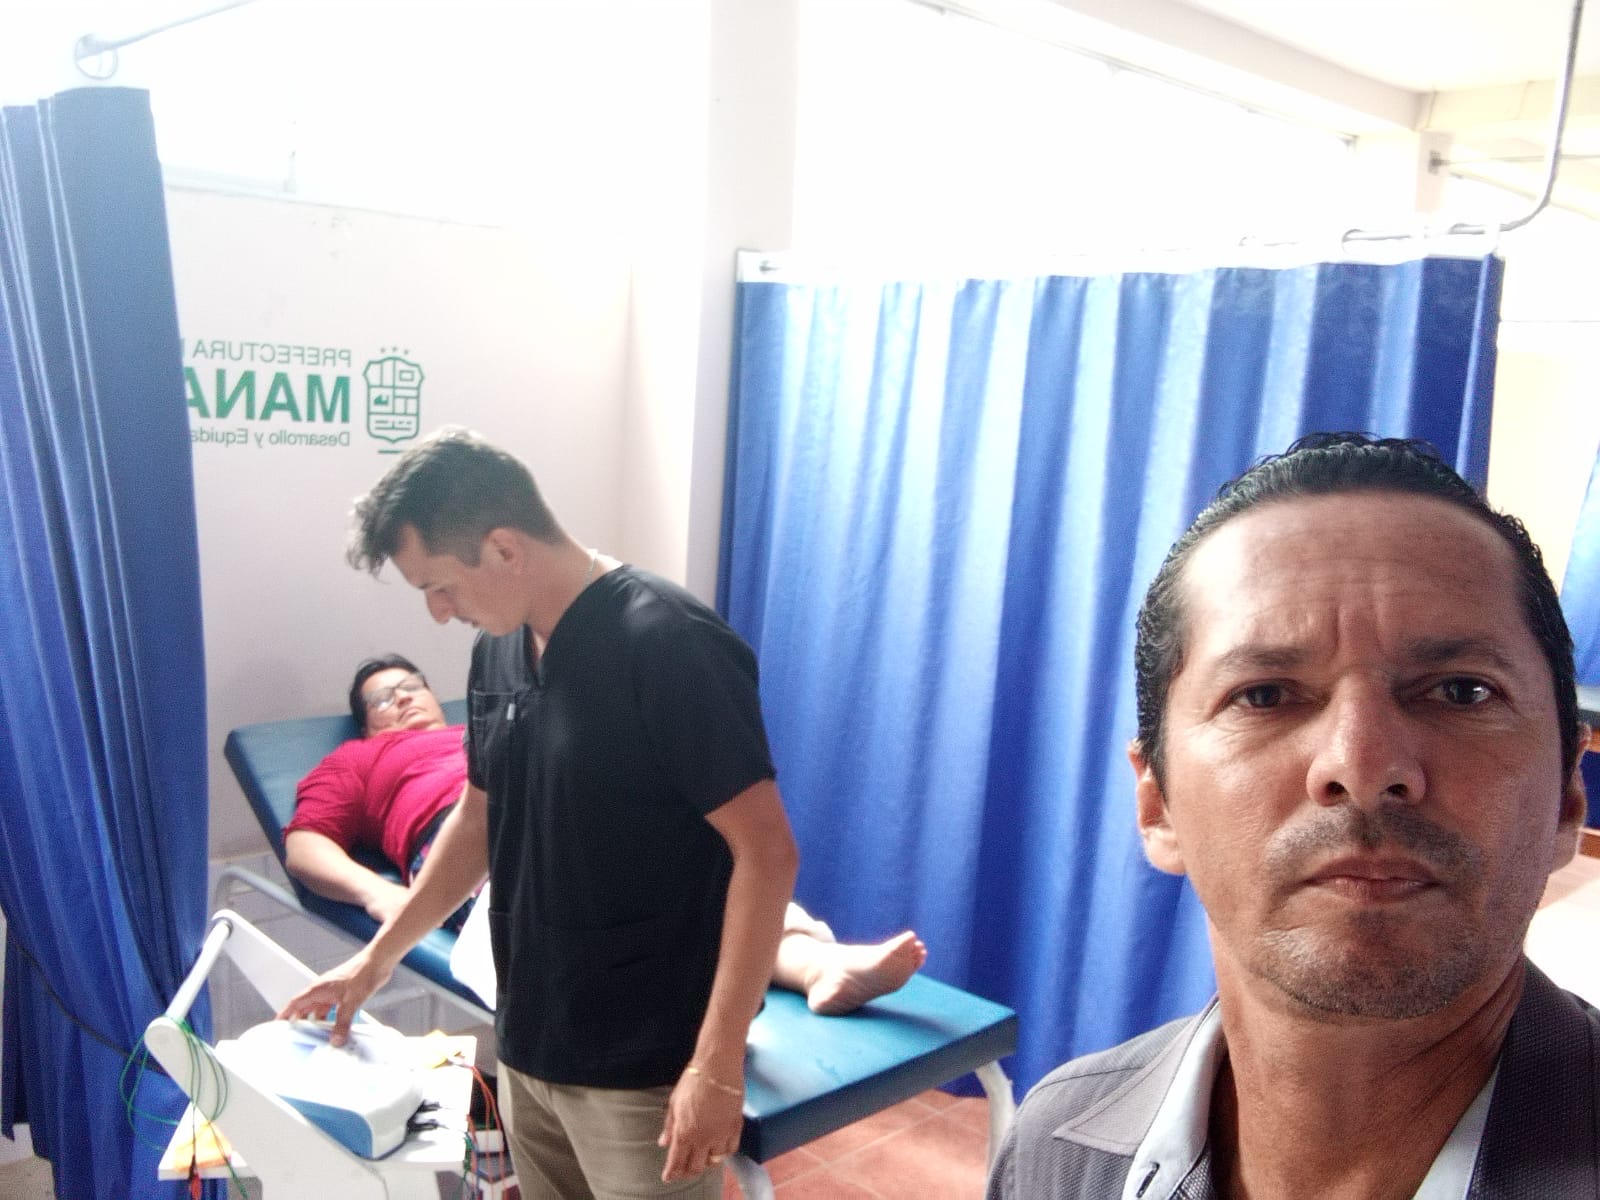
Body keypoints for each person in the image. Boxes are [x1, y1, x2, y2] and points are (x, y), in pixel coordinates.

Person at [989, 432, 1600, 1199]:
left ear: (1567, 800)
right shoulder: (1052, 1148)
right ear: (1157, 805)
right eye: (1265, 695)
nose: (1362, 765)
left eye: (1461, 691)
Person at [278, 428, 794, 1197]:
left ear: (505, 549)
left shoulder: (669, 641)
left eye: (440, 586)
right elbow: (477, 822)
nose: (439, 614)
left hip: (644, 1069)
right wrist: (375, 960)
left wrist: (716, 1065)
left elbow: (767, 851)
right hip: (528, 1043)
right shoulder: (499, 649)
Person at [284, 652, 927, 1009]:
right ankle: (685, 1002)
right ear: (365, 724)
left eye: (411, 686)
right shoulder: (357, 761)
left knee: (694, 864)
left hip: (563, 811)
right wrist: (375, 891)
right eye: (383, 698)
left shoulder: (481, 723)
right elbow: (305, 844)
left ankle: (819, 966)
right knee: (596, 897)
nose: (403, 698)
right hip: (475, 848)